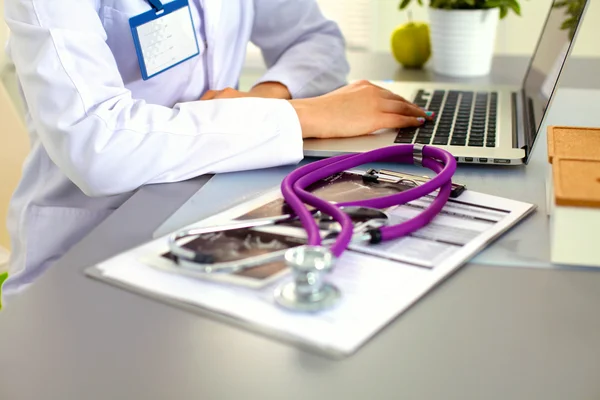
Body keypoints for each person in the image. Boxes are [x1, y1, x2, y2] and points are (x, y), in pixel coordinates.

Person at [1, 0, 432, 300]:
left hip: (215, 219)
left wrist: (267, 96)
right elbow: (95, 143)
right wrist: (302, 117)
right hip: (90, 240)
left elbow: (315, 37)